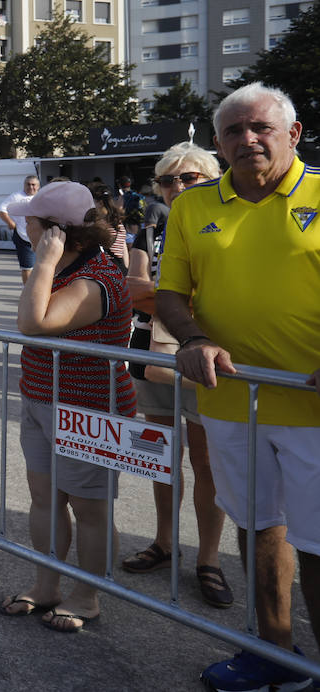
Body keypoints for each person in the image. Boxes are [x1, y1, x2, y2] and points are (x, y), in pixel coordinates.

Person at [156, 83, 320, 690]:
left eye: (261, 128)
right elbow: (171, 293)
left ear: (294, 134)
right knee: (256, 526)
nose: (247, 139)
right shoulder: (193, 206)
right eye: (233, 131)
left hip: (312, 407)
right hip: (230, 400)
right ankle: (276, 654)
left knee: (319, 545)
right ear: (218, 142)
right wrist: (193, 339)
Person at [0, 181, 134, 633]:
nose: (24, 226)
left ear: (57, 233)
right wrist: (45, 266)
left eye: (31, 221)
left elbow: (32, 322)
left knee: (89, 509)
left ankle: (86, 595)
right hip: (42, 399)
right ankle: (47, 585)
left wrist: (44, 262)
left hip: (88, 410)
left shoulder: (96, 278)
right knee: (45, 500)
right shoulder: (57, 268)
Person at [120, 142, 231, 609]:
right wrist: (168, 298)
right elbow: (133, 285)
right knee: (160, 454)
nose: (177, 187)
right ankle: (165, 542)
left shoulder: (227, 225)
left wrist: (166, 298)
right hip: (153, 356)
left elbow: (222, 295)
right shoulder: (151, 229)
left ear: (212, 178)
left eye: (189, 178)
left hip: (205, 359)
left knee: (208, 464)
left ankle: (209, 559)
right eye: (168, 180)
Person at [0, 175, 41, 282]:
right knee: (27, 268)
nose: (31, 187)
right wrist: (11, 222)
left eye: (33, 185)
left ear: (38, 186)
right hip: (23, 237)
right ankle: (28, 293)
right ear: (24, 185)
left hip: (40, 237)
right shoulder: (16, 196)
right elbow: (1, 209)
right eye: (28, 184)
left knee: (41, 267)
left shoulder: (41, 197)